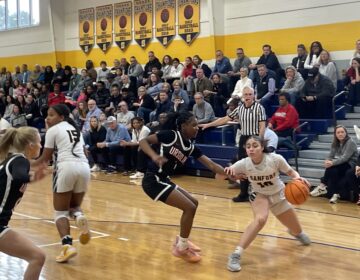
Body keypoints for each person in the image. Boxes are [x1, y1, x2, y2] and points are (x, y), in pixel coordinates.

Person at [139, 111, 227, 262]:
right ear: (183, 126)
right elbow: (143, 142)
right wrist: (154, 156)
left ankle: (181, 240)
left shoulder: (191, 147)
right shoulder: (171, 135)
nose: (197, 127)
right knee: (189, 208)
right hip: (152, 180)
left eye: (197, 124)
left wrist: (231, 173)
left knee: (194, 203)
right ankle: (181, 248)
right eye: (193, 125)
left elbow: (212, 165)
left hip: (163, 179)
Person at [225, 136, 311, 272]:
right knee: (260, 220)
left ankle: (296, 233)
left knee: (298, 231)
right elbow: (218, 176)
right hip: (260, 195)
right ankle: (235, 254)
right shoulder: (243, 163)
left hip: (279, 195)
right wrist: (228, 173)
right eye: (248, 146)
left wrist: (297, 177)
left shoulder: (275, 159)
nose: (251, 149)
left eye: (255, 145)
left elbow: (290, 172)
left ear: (262, 147)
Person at [33, 104, 92, 263]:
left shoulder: (53, 130)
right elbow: (85, 152)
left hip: (65, 167)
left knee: (60, 212)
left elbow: (44, 159)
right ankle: (79, 217)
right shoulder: (77, 131)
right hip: (85, 167)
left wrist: (26, 163)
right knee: (74, 207)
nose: (47, 118)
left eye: (51, 115)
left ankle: (67, 246)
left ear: (61, 117)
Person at [200, 86, 266, 202]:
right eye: (246, 94)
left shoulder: (259, 108)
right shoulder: (240, 108)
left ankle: (259, 193)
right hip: (244, 139)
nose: (248, 97)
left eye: (250, 94)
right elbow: (225, 119)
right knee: (244, 167)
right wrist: (209, 125)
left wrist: (259, 142)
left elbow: (262, 126)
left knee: (256, 168)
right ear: (242, 96)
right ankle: (244, 193)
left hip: (254, 138)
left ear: (254, 95)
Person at [0, 127, 47, 280]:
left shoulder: (10, 159)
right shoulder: (20, 160)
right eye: (39, 142)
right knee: (37, 257)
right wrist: (34, 178)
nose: (41, 145)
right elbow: (20, 176)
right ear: (30, 145)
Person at [310, 125, 358, 203]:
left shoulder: (350, 142)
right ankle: (335, 194)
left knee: (331, 168)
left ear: (346, 133)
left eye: (342, 132)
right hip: (343, 164)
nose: (340, 134)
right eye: (338, 132)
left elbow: (345, 158)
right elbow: (330, 155)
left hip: (351, 164)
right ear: (335, 134)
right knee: (333, 171)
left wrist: (332, 163)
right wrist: (327, 161)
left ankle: (322, 186)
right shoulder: (335, 143)